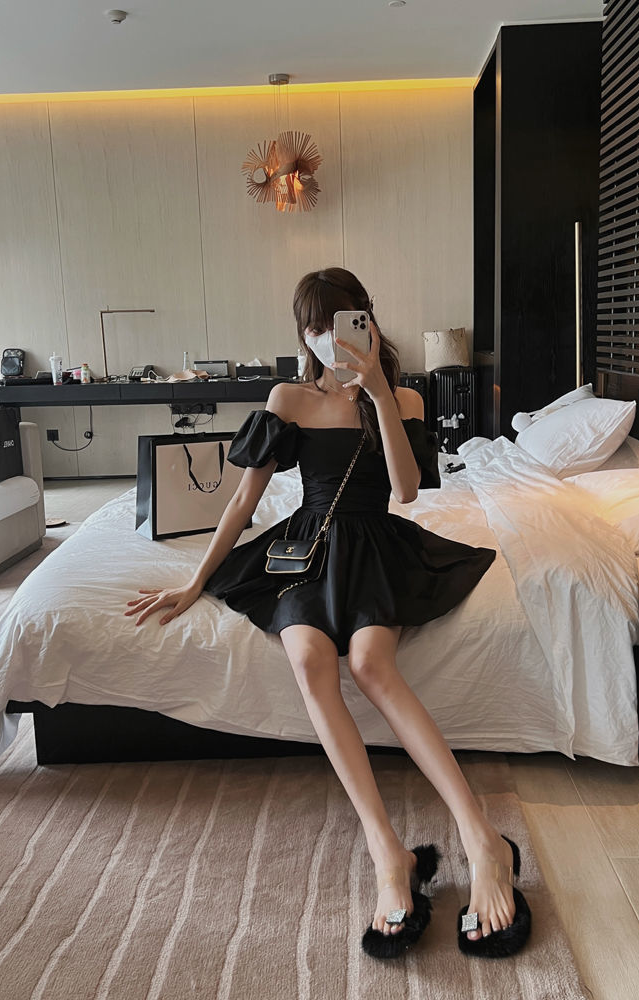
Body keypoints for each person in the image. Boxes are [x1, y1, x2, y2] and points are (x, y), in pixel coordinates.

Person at [126, 267, 531, 960]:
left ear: (364, 322)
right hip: (306, 549)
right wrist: (195, 580)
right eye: (313, 327)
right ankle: (387, 851)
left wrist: (378, 394)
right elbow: (243, 501)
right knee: (312, 662)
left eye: (338, 322)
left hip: (376, 545)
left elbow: (407, 490)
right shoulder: (288, 397)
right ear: (304, 334)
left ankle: (481, 838)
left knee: (371, 664)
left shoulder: (402, 396)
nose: (325, 337)